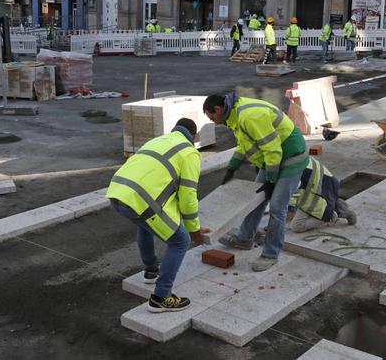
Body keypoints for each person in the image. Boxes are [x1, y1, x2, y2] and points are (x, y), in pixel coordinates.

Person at [106, 118, 207, 313]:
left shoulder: (158, 140)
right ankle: (161, 297)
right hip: (140, 198)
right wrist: (193, 229)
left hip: (118, 190)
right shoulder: (189, 153)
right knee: (180, 241)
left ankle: (151, 270)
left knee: (145, 224)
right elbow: (187, 195)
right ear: (193, 136)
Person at [203, 93, 309, 272]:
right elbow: (245, 145)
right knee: (255, 199)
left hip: (291, 158)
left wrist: (270, 179)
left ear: (218, 109)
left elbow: (272, 148)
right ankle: (244, 239)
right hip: (272, 159)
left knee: (277, 207)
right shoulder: (235, 115)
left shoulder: (249, 116)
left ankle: (271, 254)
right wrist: (232, 167)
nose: (213, 121)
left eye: (212, 117)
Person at [289, 157, 357, 233]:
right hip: (325, 182)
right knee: (325, 203)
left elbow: (292, 192)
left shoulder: (290, 169)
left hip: (319, 189)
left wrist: (289, 208)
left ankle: (330, 215)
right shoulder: (292, 156)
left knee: (296, 226)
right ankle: (337, 206)